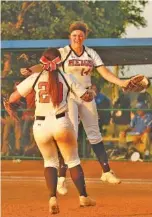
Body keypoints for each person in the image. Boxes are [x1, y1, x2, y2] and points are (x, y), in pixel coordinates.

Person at [22, 21, 129, 192]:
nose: (77, 37)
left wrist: (121, 82)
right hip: (69, 97)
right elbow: (45, 66)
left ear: (85, 36)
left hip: (86, 95)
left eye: (80, 35)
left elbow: (104, 72)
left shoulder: (90, 53)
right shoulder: (63, 52)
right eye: (74, 35)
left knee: (94, 133)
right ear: (69, 37)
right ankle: (62, 178)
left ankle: (106, 171)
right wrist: (30, 70)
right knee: (70, 136)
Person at [9, 48, 96, 215]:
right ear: (59, 61)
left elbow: (13, 98)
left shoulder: (35, 78)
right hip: (61, 122)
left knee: (50, 162)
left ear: (43, 61)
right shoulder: (67, 77)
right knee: (73, 160)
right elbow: (86, 97)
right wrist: (90, 92)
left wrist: (9, 103)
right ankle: (83, 196)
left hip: (40, 126)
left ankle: (52, 198)